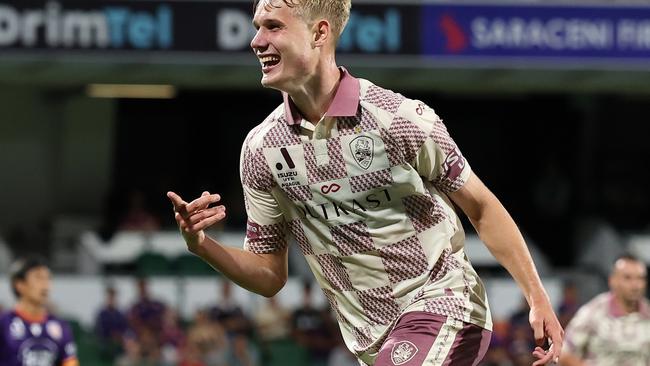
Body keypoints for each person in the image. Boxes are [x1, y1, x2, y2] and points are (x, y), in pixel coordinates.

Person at [166, 0, 563, 364]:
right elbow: (270, 274)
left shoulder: (399, 119)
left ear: (320, 33)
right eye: (257, 27)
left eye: (272, 26)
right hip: (370, 342)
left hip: (446, 307)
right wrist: (201, 246)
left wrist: (536, 297)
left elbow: (482, 206)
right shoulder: (261, 149)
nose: (256, 41)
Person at [560, 254, 650, 366]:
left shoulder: (648, 313)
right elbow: (564, 354)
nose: (635, 285)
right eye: (627, 278)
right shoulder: (593, 312)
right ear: (612, 280)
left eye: (640, 278)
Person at [0, 256, 79, 366]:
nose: (45, 284)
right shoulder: (4, 323)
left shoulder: (60, 326)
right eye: (38, 278)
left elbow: (70, 362)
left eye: (48, 278)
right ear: (20, 285)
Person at [95, 285, 129, 360]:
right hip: (106, 342)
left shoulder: (120, 314)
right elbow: (100, 331)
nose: (111, 299)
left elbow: (125, 329)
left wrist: (120, 336)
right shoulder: (102, 314)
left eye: (113, 297)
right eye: (110, 297)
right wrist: (111, 336)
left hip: (120, 343)